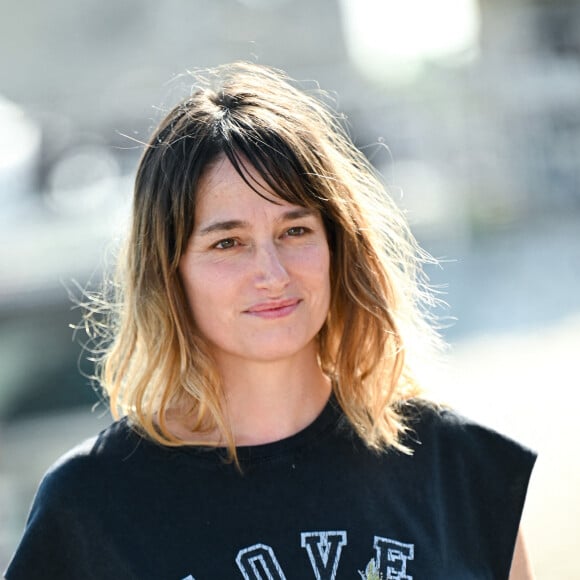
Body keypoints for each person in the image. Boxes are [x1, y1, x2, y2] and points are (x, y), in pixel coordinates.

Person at [5, 62, 535, 579]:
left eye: (295, 230)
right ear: (170, 273)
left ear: (337, 245)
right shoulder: (91, 507)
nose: (272, 272)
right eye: (228, 242)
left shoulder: (464, 472)